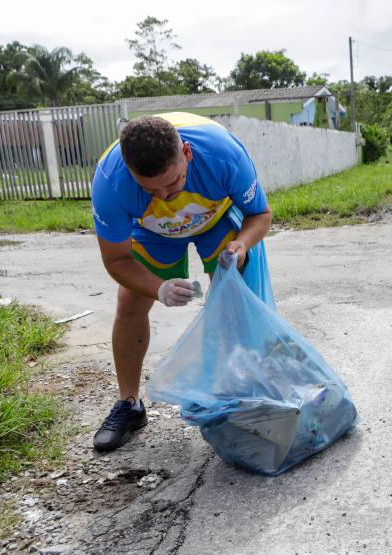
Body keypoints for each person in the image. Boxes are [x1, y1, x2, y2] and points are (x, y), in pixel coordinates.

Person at [89, 112, 272, 452]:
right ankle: (128, 405)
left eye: (173, 183)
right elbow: (116, 260)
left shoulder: (223, 154)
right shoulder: (110, 181)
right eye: (149, 188)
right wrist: (158, 288)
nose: (165, 196)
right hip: (152, 232)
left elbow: (260, 215)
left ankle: (238, 393)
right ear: (130, 173)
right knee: (130, 302)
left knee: (230, 296)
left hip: (215, 222)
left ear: (187, 153)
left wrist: (242, 244)